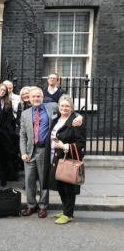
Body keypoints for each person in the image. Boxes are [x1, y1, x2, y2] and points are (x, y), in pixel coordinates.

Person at [19, 87, 82, 218]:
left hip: (44, 150)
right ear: (29, 99)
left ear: (42, 97)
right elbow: (22, 135)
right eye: (33, 97)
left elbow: (68, 110)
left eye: (38, 96)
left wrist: (79, 116)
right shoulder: (25, 114)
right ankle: (31, 205)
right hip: (30, 152)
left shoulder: (52, 107)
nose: (36, 99)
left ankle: (43, 207)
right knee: (29, 181)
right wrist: (23, 152)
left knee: (44, 180)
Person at [43, 94, 86, 224]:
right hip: (54, 158)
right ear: (59, 107)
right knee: (60, 186)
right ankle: (65, 210)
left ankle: (68, 214)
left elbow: (81, 143)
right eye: (62, 105)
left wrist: (64, 146)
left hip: (67, 159)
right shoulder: (56, 119)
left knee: (68, 188)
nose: (64, 108)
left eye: (67, 106)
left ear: (71, 108)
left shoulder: (75, 122)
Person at [0, 84, 18, 186]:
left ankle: (3, 177)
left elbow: (8, 121)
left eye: (4, 90)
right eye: (0, 89)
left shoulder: (8, 103)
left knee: (3, 155)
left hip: (3, 133)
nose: (2, 91)